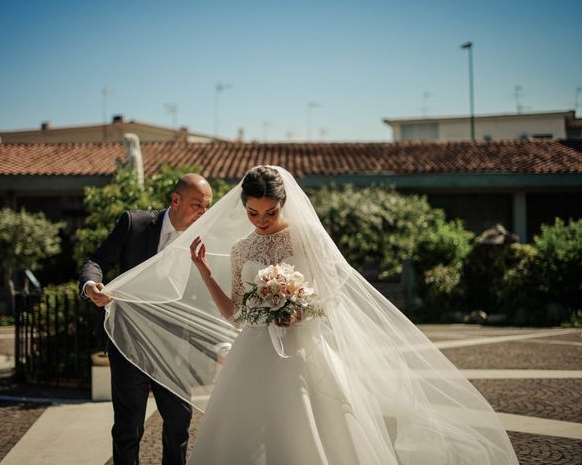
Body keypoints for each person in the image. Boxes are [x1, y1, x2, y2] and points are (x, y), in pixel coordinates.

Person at [101, 166, 519, 465]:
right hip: (254, 353)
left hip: (305, 351)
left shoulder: (307, 238)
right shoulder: (243, 249)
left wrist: (299, 310)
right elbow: (234, 314)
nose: (261, 221)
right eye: (252, 213)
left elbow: (334, 293)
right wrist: (205, 271)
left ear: (284, 203)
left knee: (314, 429)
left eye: (269, 212)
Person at [79, 173, 212, 465]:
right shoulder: (135, 224)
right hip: (129, 342)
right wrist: (91, 287)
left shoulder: (203, 238)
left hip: (173, 345)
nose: (204, 213)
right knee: (129, 427)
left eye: (207, 207)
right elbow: (97, 261)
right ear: (175, 200)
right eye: (197, 205)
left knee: (179, 421)